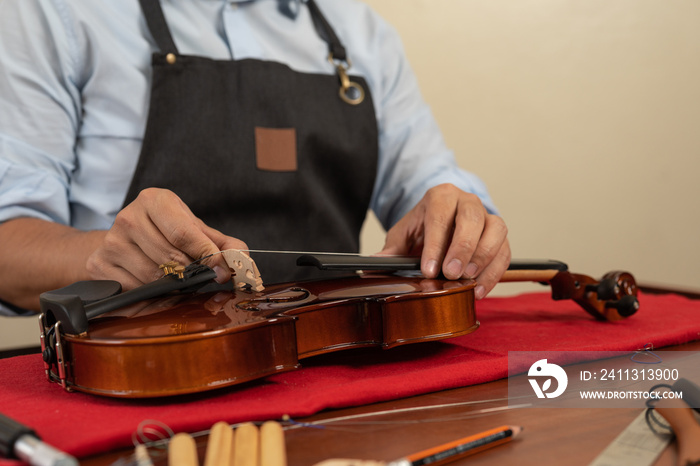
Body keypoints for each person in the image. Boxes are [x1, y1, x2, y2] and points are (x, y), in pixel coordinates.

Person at [0, 0, 510, 314]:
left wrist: (459, 217)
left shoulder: (361, 31)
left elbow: (431, 186)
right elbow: (7, 246)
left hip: (338, 368)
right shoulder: (53, 10)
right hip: (138, 372)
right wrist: (102, 257)